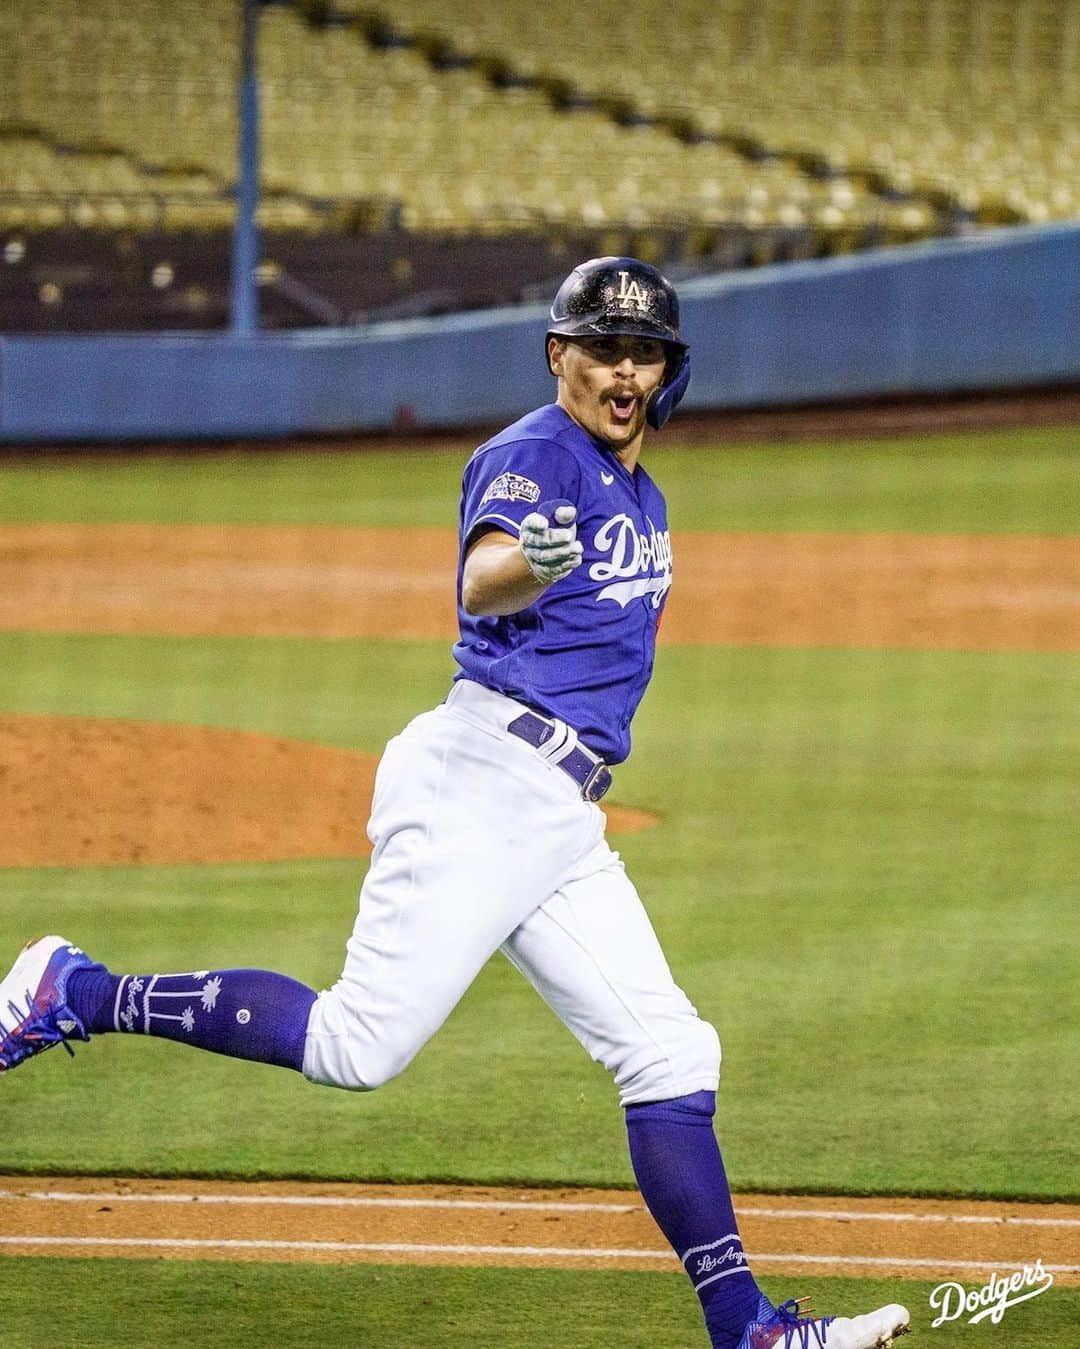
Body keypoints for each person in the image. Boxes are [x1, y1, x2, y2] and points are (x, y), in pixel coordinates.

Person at [0, 258, 909, 1349]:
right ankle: (79, 987)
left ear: (669, 369)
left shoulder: (642, 490)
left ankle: (747, 1327)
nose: (624, 371)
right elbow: (483, 575)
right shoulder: (534, 453)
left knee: (672, 1053)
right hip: (483, 781)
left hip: (561, 815)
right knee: (357, 1044)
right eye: (602, 349)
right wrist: (533, 564)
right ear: (557, 356)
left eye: (644, 352)